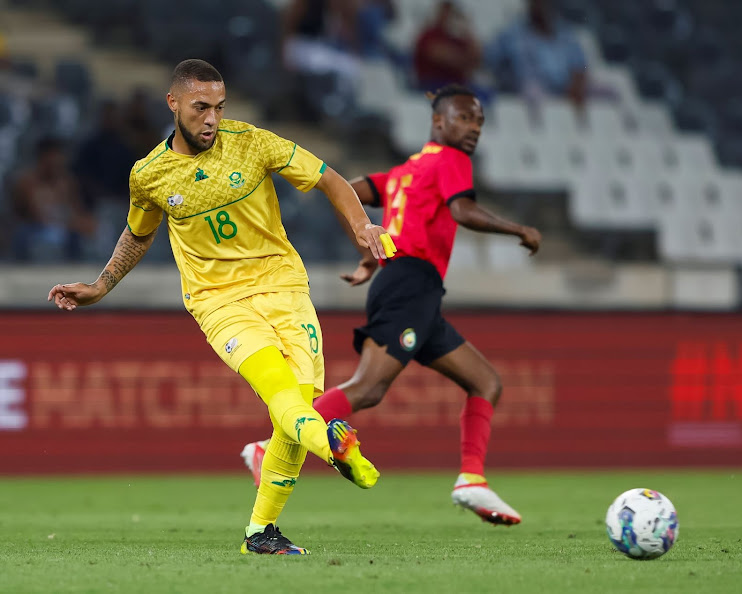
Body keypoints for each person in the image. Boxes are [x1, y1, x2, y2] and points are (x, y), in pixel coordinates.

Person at [48, 59, 397, 555]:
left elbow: (330, 178)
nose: (211, 118)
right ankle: (333, 445)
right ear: (173, 104)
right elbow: (137, 234)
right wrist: (101, 286)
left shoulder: (252, 142)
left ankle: (260, 533)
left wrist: (363, 226)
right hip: (219, 303)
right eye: (200, 107)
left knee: (292, 413)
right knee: (281, 393)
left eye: (218, 107)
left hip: (284, 288)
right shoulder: (148, 175)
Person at [243, 84, 542, 525]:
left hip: (410, 287)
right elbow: (462, 211)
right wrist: (519, 229)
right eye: (464, 117)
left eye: (478, 120)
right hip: (411, 283)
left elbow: (349, 191)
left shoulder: (405, 172)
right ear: (438, 122)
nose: (474, 127)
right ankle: (269, 448)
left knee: (485, 382)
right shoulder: (451, 161)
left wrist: (369, 252)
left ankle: (471, 481)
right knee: (369, 387)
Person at [485, 0, 587, 109]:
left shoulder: (567, 35)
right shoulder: (512, 34)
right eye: (537, 2)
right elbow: (491, 61)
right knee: (532, 92)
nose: (541, 6)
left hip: (565, 93)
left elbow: (579, 67)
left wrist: (575, 87)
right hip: (528, 93)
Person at [12, 136, 95, 261]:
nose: (56, 161)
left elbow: (77, 211)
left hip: (64, 229)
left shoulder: (67, 182)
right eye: (52, 157)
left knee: (86, 232)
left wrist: (82, 223)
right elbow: (36, 215)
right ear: (42, 157)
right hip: (34, 231)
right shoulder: (27, 182)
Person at [413, 2, 482, 92]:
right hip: (434, 84)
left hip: (457, 84)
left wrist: (467, 31)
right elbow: (445, 57)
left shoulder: (456, 38)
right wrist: (464, 59)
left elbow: (476, 60)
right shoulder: (429, 35)